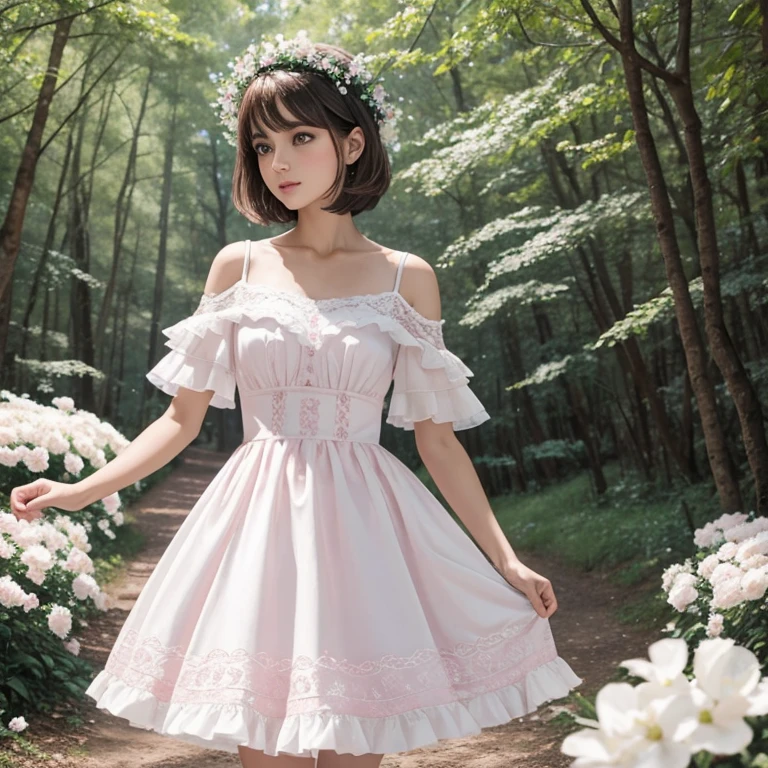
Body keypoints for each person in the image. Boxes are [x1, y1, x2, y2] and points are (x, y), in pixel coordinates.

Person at [10, 31, 582, 768]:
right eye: (261, 145)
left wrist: (506, 561)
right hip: (258, 529)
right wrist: (80, 490)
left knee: (354, 746)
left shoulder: (407, 276)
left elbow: (437, 439)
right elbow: (182, 419)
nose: (278, 163)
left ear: (350, 144)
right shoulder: (239, 265)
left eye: (300, 138)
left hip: (368, 535)